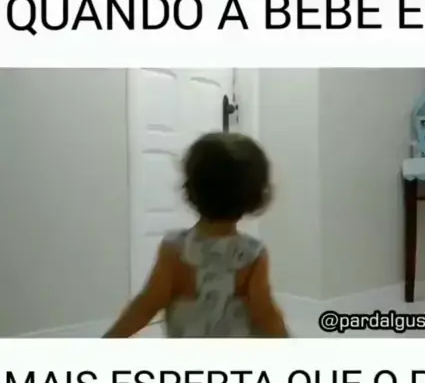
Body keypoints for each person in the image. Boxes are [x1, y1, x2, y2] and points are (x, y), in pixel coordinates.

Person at [104, 132, 289, 338]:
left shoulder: (175, 250)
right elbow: (265, 313)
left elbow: (146, 305)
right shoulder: (252, 255)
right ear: (254, 196)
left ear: (191, 189)